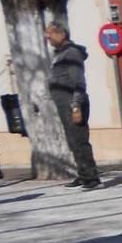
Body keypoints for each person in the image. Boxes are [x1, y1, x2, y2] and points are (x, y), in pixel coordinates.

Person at [45, 20, 101, 189]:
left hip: (73, 105)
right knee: (72, 141)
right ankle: (83, 175)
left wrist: (76, 106)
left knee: (80, 141)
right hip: (65, 106)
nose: (48, 38)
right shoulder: (61, 54)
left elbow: (79, 83)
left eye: (50, 34)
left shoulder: (71, 54)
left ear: (61, 34)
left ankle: (92, 178)